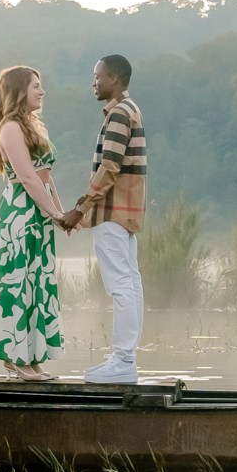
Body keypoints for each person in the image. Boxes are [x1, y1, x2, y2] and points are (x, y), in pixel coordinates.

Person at [59, 55, 146, 384]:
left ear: (116, 78)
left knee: (120, 285)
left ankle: (123, 360)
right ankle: (127, 359)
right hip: (125, 211)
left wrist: (80, 207)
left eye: (99, 76)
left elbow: (109, 167)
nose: (94, 82)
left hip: (112, 211)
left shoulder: (120, 114)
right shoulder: (129, 109)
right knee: (131, 283)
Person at [0, 66, 74, 381]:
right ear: (20, 90)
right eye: (36, 86)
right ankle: (15, 358)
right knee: (17, 284)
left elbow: (47, 178)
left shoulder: (34, 125)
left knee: (38, 285)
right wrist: (55, 213)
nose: (42, 91)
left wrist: (62, 214)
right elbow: (26, 178)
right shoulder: (10, 127)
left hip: (39, 213)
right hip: (19, 216)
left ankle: (31, 358)